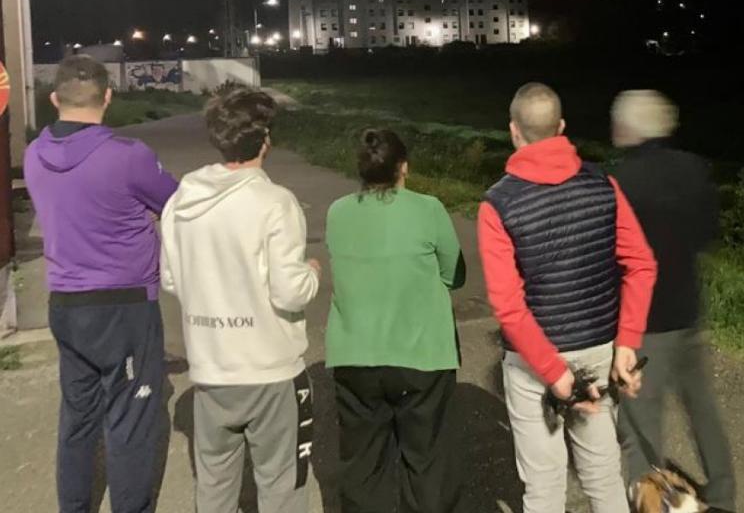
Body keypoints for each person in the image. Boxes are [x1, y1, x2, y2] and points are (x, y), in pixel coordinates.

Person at [478, 82, 658, 513]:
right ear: (560, 127)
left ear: (513, 131)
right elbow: (642, 264)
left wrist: (554, 374)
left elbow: (509, 306)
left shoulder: (498, 205)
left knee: (543, 487)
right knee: (603, 476)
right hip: (598, 349)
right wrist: (627, 342)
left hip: (533, 364)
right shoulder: (603, 186)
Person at [23, 55, 179, 513]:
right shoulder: (128, 155)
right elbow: (172, 201)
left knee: (77, 418)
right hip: (124, 305)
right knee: (129, 422)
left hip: (66, 305)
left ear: (54, 99)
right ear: (108, 97)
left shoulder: (34, 154)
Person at [159, 88, 321, 513]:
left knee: (214, 486)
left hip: (211, 367)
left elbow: (172, 279)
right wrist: (313, 275)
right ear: (265, 139)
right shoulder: (275, 203)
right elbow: (289, 290)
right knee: (282, 486)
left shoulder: (180, 201)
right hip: (270, 367)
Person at [325, 128, 466, 512]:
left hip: (355, 354)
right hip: (421, 353)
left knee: (362, 464)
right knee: (426, 461)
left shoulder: (338, 211)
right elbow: (455, 274)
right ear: (403, 166)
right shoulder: (429, 208)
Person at [610, 90, 737, 513]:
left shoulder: (621, 181)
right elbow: (707, 232)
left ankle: (651, 501)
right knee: (701, 406)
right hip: (687, 309)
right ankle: (721, 493)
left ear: (628, 129)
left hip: (643, 320)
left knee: (641, 423)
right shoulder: (692, 168)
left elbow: (614, 254)